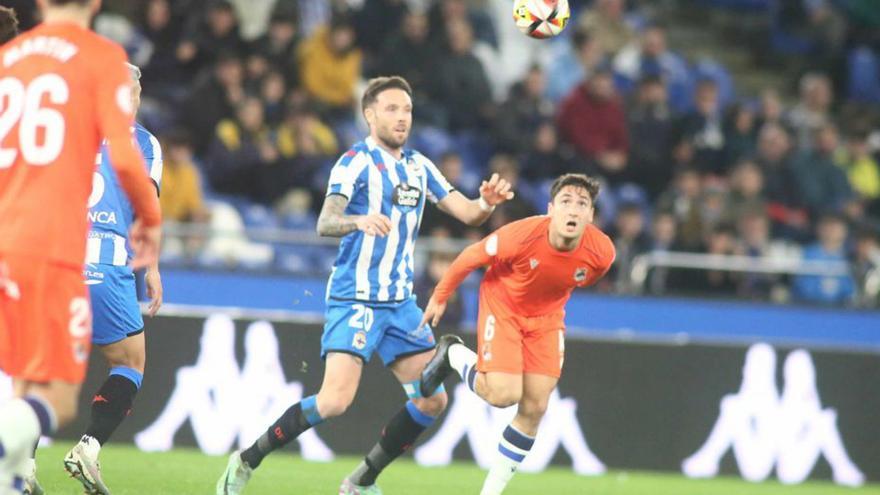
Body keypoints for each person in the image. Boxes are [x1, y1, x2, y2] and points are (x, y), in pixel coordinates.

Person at [216, 75, 514, 495]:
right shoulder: (354, 162)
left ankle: (361, 481)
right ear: (369, 114)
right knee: (334, 401)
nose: (401, 117)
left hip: (400, 303)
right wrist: (359, 220)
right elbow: (325, 222)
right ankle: (246, 459)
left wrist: (486, 202)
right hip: (354, 297)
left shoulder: (419, 166)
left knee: (432, 400)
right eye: (391, 109)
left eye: (407, 110)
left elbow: (467, 214)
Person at [0, 0, 161, 493]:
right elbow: (134, 179)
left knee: (26, 374)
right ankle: (77, 449)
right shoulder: (95, 67)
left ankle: (18, 469)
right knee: (116, 367)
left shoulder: (15, 60)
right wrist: (151, 238)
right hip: (77, 255)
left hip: (16, 242)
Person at [419, 173, 616, 495]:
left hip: (547, 319)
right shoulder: (521, 235)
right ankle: (453, 352)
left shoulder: (602, 253)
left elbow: (575, 279)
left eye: (583, 204)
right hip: (504, 307)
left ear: (591, 215)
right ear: (551, 209)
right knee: (502, 395)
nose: (574, 210)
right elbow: (471, 256)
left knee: (535, 407)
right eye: (566, 202)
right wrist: (440, 296)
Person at [40, 63, 161, 495]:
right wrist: (152, 270)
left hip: (54, 261)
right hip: (106, 263)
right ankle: (87, 448)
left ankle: (19, 461)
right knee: (129, 362)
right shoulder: (144, 143)